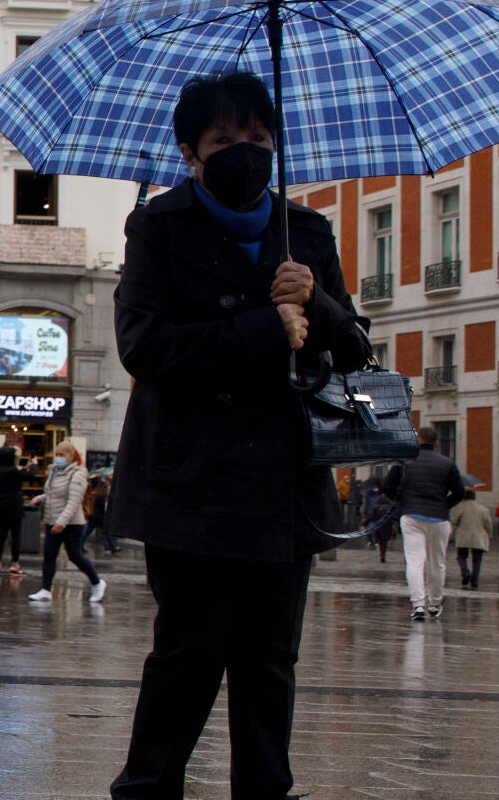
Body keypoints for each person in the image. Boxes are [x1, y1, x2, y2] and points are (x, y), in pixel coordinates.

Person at [108, 72, 372, 799]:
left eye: (257, 138)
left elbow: (352, 347)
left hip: (283, 483)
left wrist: (313, 299)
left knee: (269, 659)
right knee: (188, 652)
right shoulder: (157, 228)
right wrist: (262, 327)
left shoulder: (307, 233)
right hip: (188, 480)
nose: (243, 152)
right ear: (191, 150)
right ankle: (147, 787)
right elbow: (144, 345)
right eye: (225, 140)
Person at [385, 425, 467, 622]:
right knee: (437, 563)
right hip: (439, 517)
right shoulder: (447, 463)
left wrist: (401, 502)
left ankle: (418, 605)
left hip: (411, 515)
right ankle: (435, 603)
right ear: (436, 443)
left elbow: (388, 486)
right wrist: (444, 505)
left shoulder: (404, 462)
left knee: (414, 561)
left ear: (417, 440)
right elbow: (460, 492)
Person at [27, 442, 105, 605]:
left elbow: (73, 501)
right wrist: (41, 498)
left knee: (75, 555)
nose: (59, 458)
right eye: (57, 454)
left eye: (62, 455)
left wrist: (61, 522)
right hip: (52, 519)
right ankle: (46, 590)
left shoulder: (77, 474)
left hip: (71, 524)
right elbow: (53, 494)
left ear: (71, 456)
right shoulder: (55, 471)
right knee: (49, 555)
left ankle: (97, 582)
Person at [0, 445, 27, 579]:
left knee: (1, 536)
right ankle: (14, 564)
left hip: (1, 508)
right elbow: (27, 476)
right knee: (15, 536)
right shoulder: (13, 471)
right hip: (14, 508)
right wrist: (33, 466)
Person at [450, 489, 494, 592]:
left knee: (461, 557)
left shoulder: (461, 507)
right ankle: (475, 580)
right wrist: (489, 534)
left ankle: (465, 573)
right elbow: (488, 524)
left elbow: (453, 520)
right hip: (478, 537)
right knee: (477, 560)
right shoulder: (483, 509)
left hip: (464, 536)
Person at [88, 470, 120, 555]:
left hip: (98, 517)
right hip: (101, 517)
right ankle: (111, 547)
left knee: (102, 533)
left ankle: (110, 547)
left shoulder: (98, 494)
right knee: (104, 533)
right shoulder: (102, 495)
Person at [365, 482, 397, 563]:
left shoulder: (376, 507)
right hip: (387, 526)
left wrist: (365, 522)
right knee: (385, 541)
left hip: (378, 526)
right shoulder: (389, 507)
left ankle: (381, 554)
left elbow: (372, 517)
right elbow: (393, 517)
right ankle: (383, 554)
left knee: (380, 541)